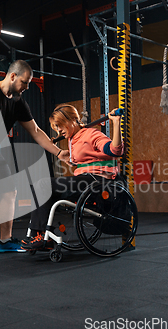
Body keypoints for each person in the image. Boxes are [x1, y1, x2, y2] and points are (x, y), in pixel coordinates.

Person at [0, 60, 70, 257]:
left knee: (9, 191)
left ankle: (5, 241)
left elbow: (35, 131)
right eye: (24, 82)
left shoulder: (18, 102)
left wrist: (58, 153)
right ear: (12, 76)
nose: (26, 87)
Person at [22, 103, 124, 250]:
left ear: (71, 120)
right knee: (39, 187)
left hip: (98, 180)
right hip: (84, 179)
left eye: (60, 125)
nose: (59, 130)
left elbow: (115, 150)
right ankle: (40, 234)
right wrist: (71, 160)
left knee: (43, 184)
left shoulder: (92, 134)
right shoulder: (73, 139)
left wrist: (116, 123)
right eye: (56, 127)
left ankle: (40, 233)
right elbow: (85, 159)